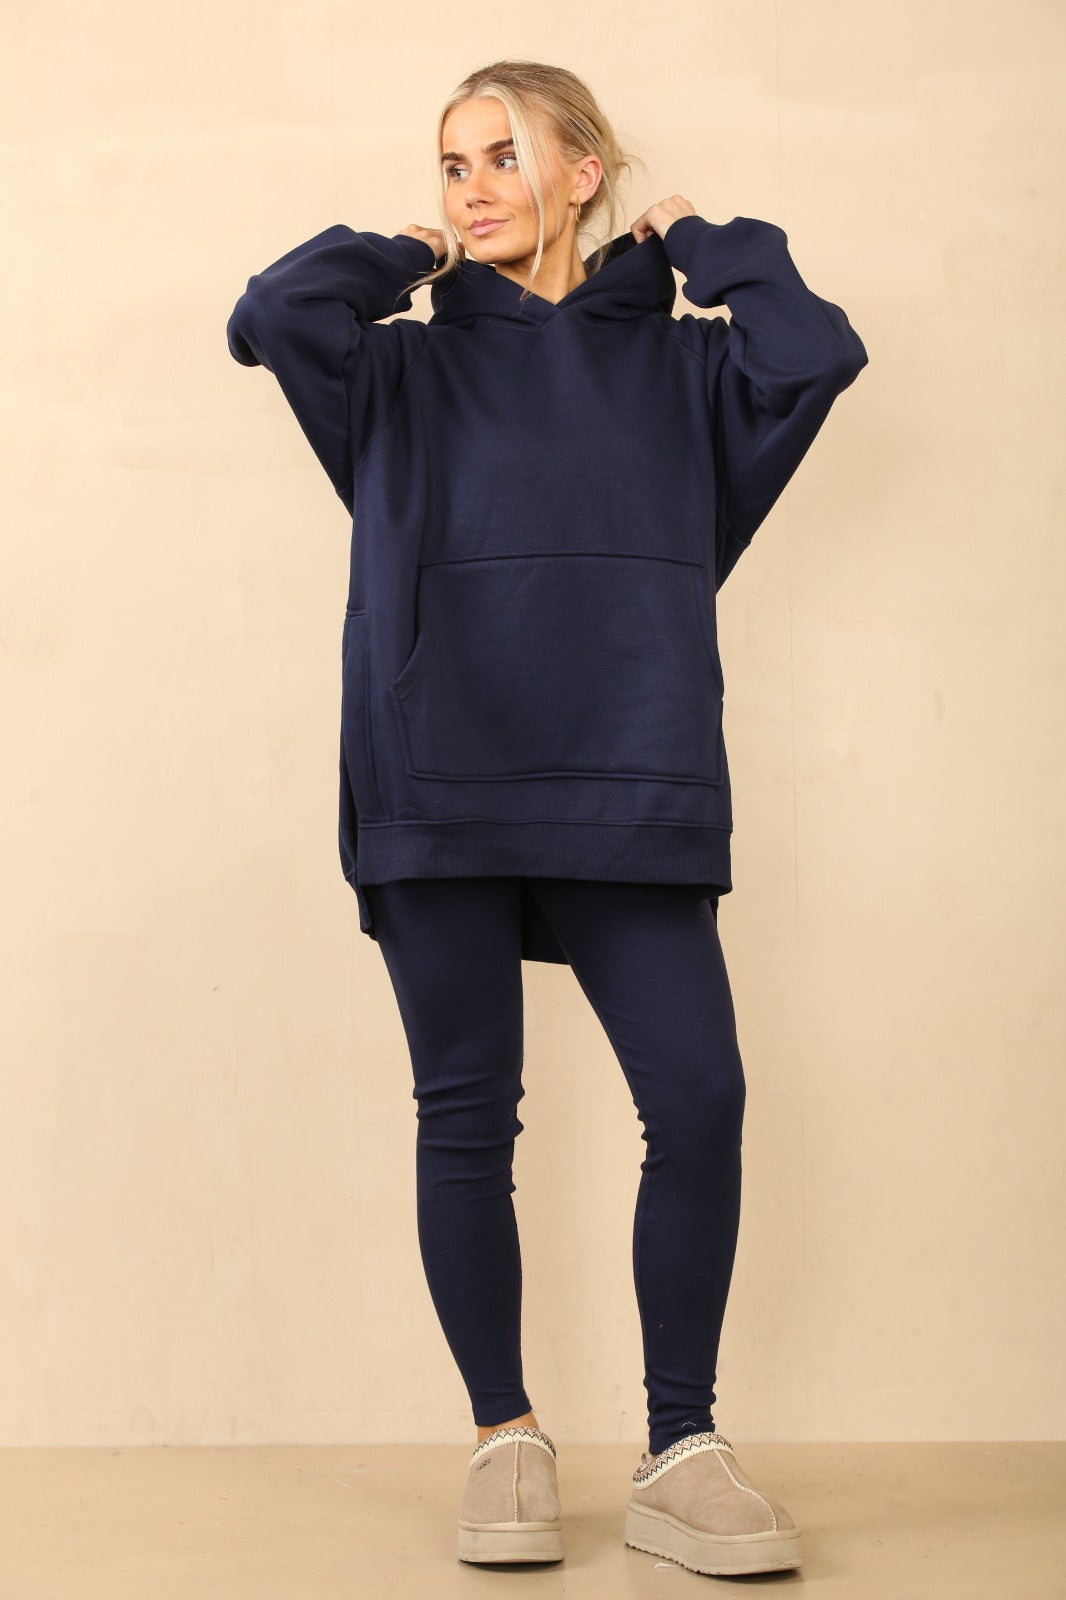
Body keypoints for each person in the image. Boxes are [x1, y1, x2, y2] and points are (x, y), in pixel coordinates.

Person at [226, 57, 867, 1578]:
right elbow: (272, 312)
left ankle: (680, 1447)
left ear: (585, 171)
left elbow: (818, 352)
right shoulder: (392, 372)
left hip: (629, 769)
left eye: (505, 156)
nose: (472, 188)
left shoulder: (693, 372)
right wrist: (411, 255)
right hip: (437, 771)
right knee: (467, 1112)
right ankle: (503, 1436)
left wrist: (703, 238)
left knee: (697, 1102)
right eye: (451, 165)